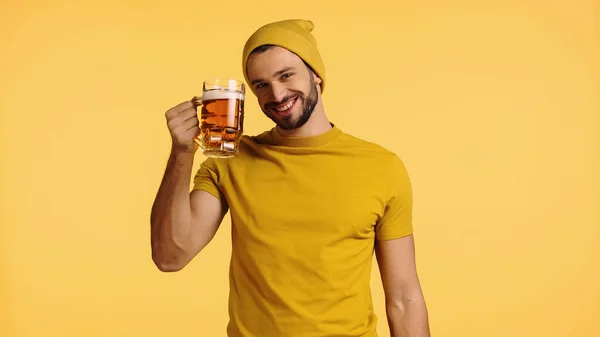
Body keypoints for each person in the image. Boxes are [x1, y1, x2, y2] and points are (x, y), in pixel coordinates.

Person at [150, 19, 431, 337]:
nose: (277, 93)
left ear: (316, 75)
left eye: (286, 75)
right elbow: (170, 256)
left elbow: (405, 299)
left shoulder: (382, 167)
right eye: (260, 84)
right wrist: (182, 152)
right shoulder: (230, 162)